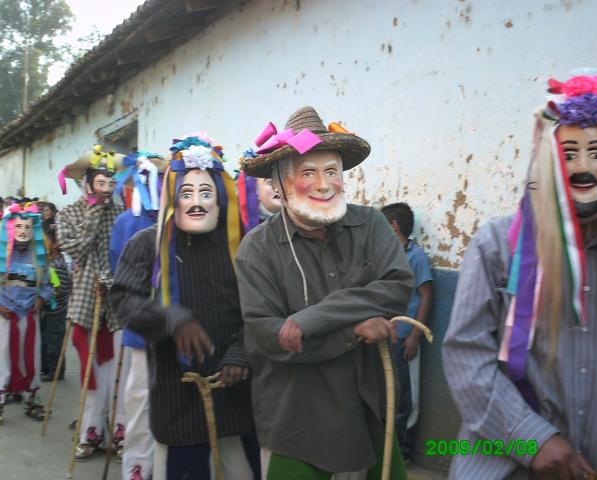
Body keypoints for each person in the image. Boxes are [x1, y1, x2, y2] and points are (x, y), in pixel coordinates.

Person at [442, 70, 597, 479]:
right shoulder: (496, 245)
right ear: (548, 161)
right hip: (504, 464)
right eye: (568, 154)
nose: (582, 168)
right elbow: (466, 355)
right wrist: (528, 436)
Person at [236, 106, 414, 479]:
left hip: (369, 409)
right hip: (298, 423)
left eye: (331, 171)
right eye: (309, 173)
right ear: (281, 184)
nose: (323, 184)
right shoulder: (257, 249)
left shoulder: (371, 224)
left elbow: (396, 286)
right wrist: (353, 330)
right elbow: (270, 335)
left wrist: (311, 319)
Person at [110, 135, 257, 480]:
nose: (196, 203)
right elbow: (123, 301)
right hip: (178, 396)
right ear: (172, 197)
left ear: (221, 198)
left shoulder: (244, 244)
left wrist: (242, 351)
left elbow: (264, 306)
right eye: (186, 194)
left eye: (206, 194)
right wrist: (172, 320)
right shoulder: (146, 244)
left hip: (237, 395)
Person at [56, 145, 127, 459]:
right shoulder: (68, 214)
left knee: (118, 369)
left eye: (110, 181)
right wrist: (95, 210)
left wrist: (111, 281)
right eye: (100, 181)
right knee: (91, 367)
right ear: (86, 183)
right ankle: (91, 431)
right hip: (84, 299)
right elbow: (78, 250)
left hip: (117, 299)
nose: (106, 187)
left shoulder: (121, 212)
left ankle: (120, 430)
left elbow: (125, 253)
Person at [108, 151, 166, 480]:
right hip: (145, 327)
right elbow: (120, 272)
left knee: (148, 399)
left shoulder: (180, 217)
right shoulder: (127, 222)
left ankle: (149, 466)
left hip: (174, 327)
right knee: (141, 397)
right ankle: (139, 467)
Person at [380, 202, 433, 462]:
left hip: (406, 338)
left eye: (383, 225)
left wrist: (415, 335)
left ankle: (404, 451)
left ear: (393, 226)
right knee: (388, 393)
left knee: (406, 397)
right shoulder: (387, 256)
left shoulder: (416, 256)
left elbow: (426, 296)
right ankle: (387, 448)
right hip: (386, 336)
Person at [0, 203, 53, 422]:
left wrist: (41, 298)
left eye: (27, 227)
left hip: (29, 315)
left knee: (31, 356)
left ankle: (32, 398)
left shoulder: (39, 258)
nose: (23, 231)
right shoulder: (2, 255)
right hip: (4, 316)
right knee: (2, 358)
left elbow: (48, 284)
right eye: (19, 227)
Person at [40, 221, 72, 382]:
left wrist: (47, 297)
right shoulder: (48, 262)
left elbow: (63, 288)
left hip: (56, 311)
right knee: (47, 340)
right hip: (49, 309)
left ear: (55, 244)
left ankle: (56, 371)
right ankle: (48, 368)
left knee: (54, 343)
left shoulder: (58, 264)